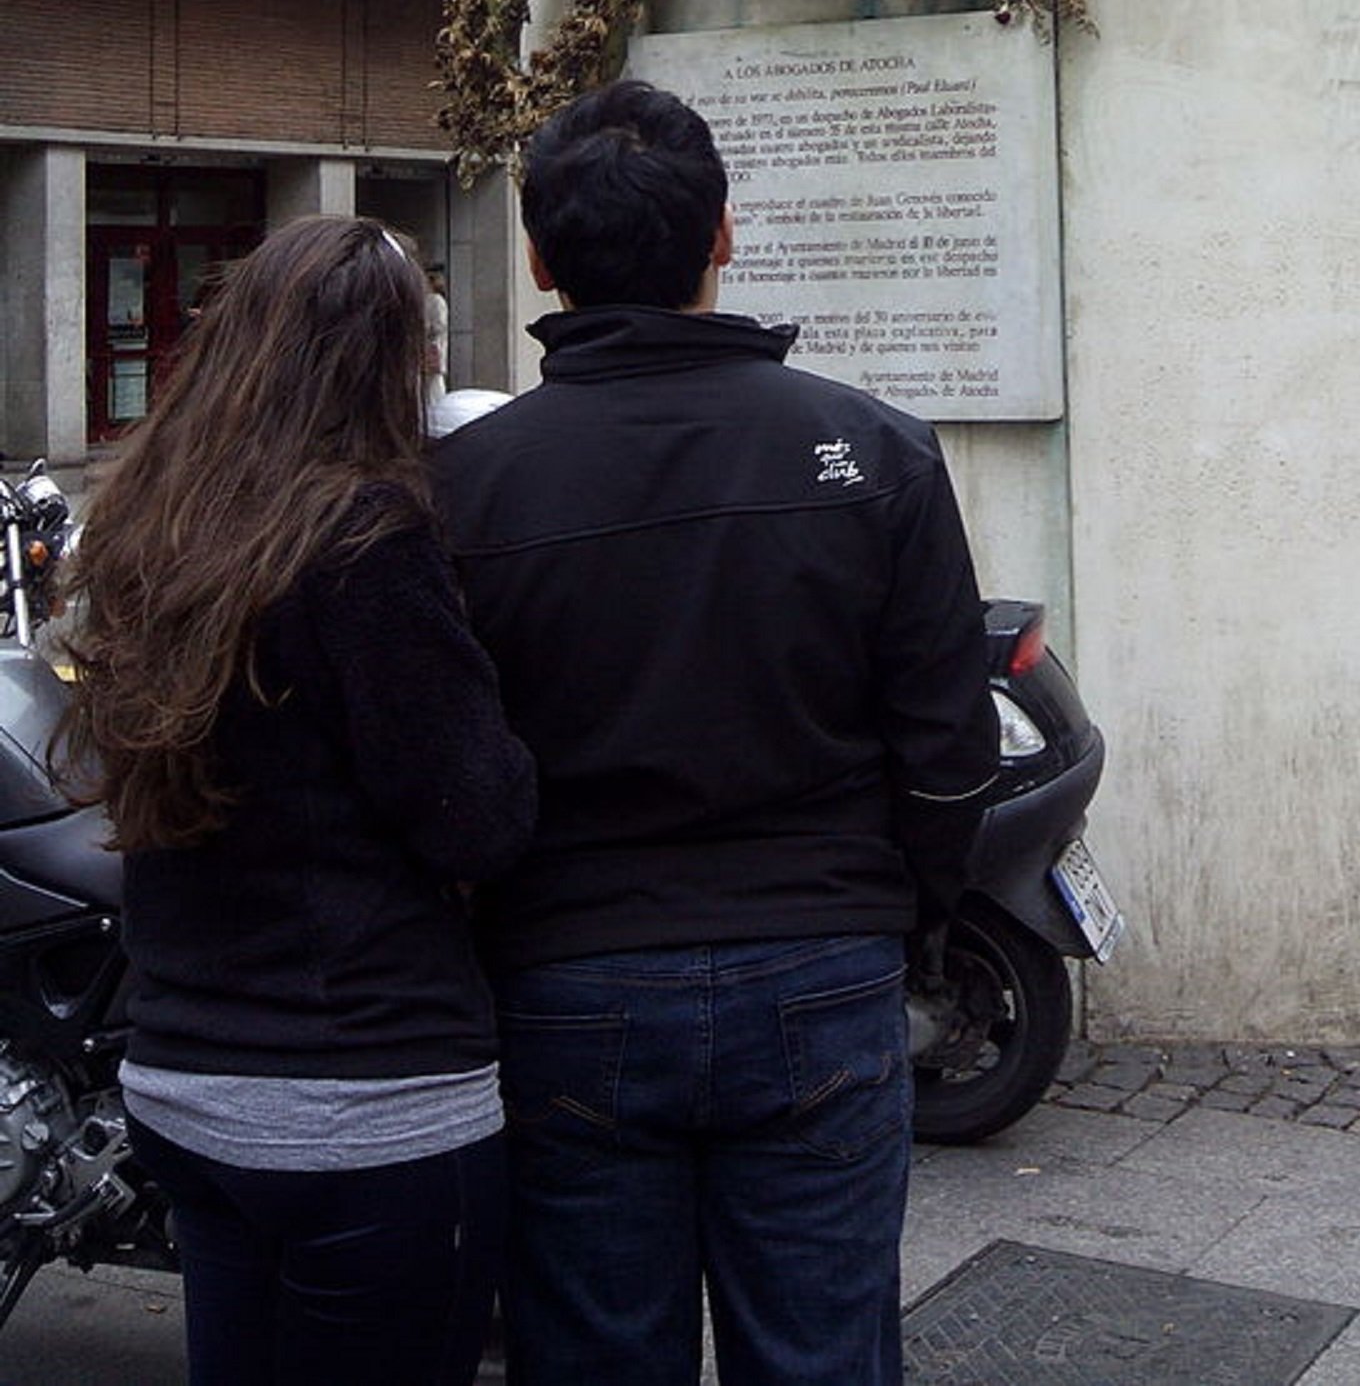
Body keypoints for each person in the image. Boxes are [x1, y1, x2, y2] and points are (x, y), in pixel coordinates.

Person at [431, 79, 1000, 1386]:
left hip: (568, 980)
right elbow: (952, 749)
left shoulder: (465, 486)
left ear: (538, 255)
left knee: (589, 1354)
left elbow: (446, 762)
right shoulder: (876, 451)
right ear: (723, 235)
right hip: (822, 961)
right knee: (822, 1353)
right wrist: (891, 910)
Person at [53, 215, 537, 1386]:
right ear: (374, 361)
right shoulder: (366, 539)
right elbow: (476, 814)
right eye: (416, 342)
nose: (430, 367)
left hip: (186, 1085)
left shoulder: (150, 527)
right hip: (364, 1101)